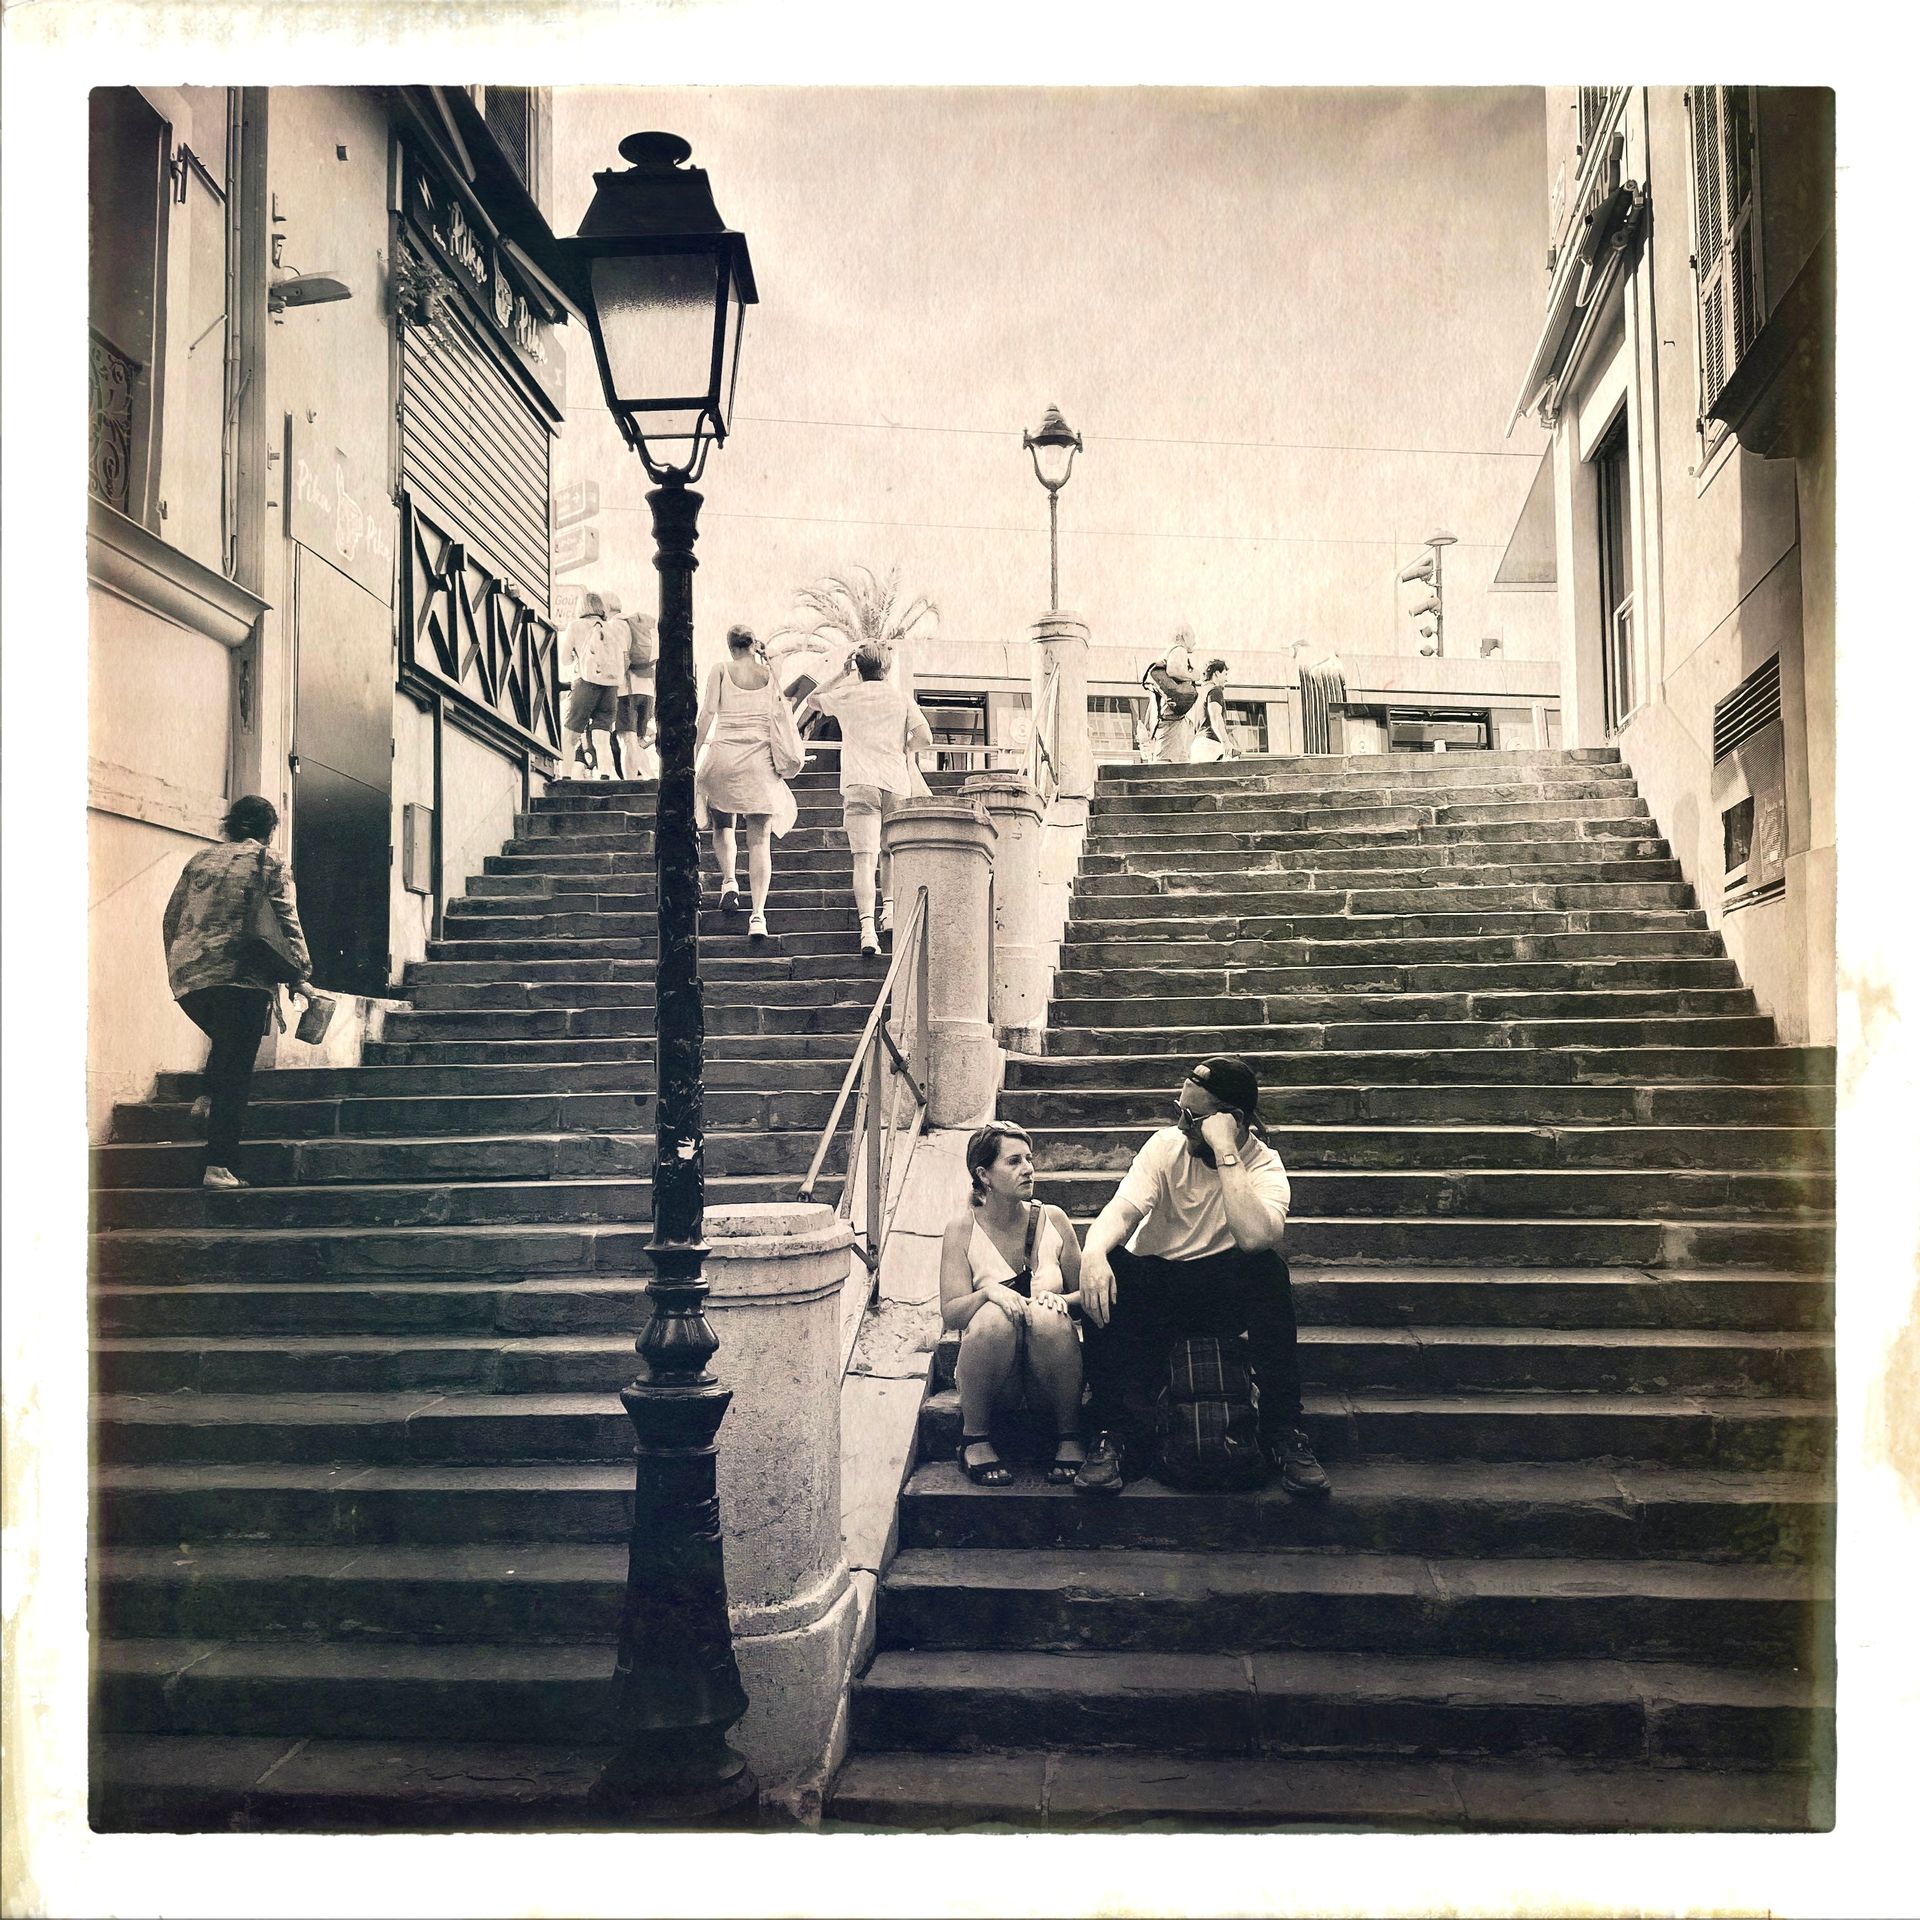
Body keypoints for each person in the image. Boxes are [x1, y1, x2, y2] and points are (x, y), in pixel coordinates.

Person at [1072, 1054, 1331, 1500]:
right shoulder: (1165, 1146)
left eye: (1192, 1116)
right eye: (1179, 1110)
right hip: (1159, 1287)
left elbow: (1253, 1238)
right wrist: (1093, 1252)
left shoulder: (1264, 1167)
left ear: (1232, 1120)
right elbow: (1123, 1210)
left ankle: (1282, 1431)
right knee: (1111, 1267)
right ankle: (1116, 1433)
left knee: (1268, 1270)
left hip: (1222, 1293)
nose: (1181, 1124)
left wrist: (1226, 1152)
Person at [161, 795, 313, 1190]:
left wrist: (180, 965)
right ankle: (219, 1165)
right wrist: (300, 974)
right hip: (241, 975)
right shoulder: (269, 860)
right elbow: (285, 917)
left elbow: (171, 916)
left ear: (230, 825)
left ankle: (207, 1095)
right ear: (269, 828)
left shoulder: (199, 860)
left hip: (191, 976)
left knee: (227, 1041)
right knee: (237, 1070)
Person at [939, 1122, 1088, 1486]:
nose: (1028, 1169)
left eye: (1029, 1159)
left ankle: (1069, 1435)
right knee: (993, 1316)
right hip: (993, 1381)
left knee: (1048, 1314)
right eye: (1014, 1161)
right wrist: (989, 1293)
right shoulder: (961, 1229)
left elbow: (1088, 1296)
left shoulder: (1054, 1219)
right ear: (984, 1174)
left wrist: (1063, 1300)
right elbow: (952, 1312)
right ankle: (975, 1438)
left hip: (1049, 1377)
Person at [795, 640, 932, 957]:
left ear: (860, 668)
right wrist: (905, 750)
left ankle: (867, 930)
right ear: (887, 669)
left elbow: (813, 700)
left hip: (859, 782)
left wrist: (841, 676)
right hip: (895, 782)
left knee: (864, 858)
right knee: (891, 851)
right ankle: (890, 911)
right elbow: (925, 736)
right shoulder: (901, 699)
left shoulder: (848, 694)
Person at [693, 623, 797, 940]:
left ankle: (729, 881)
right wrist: (765, 653)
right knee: (759, 841)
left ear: (730, 647)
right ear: (754, 645)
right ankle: (758, 916)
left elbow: (707, 713)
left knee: (723, 825)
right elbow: (780, 662)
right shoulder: (771, 673)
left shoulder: (721, 670)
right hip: (760, 764)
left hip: (723, 760)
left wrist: (694, 751)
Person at [560, 590, 625, 780]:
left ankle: (565, 776)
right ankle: (605, 774)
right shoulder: (613, 628)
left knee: (571, 734)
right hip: (610, 685)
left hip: (585, 684)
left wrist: (574, 656)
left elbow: (564, 660)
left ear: (581, 607)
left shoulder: (575, 626)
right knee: (602, 735)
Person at [1142, 627, 1203, 764]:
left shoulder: (1166, 655)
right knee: (1165, 763)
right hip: (1172, 720)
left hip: (1168, 719)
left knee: (1180, 763)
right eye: (1193, 637)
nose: (1195, 642)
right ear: (1183, 636)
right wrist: (1194, 675)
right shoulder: (1178, 649)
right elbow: (1174, 670)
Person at [614, 602, 657, 782]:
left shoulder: (617, 624)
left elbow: (622, 656)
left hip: (627, 690)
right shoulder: (642, 626)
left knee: (626, 740)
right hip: (647, 690)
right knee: (637, 741)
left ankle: (628, 783)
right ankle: (650, 777)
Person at [1190, 657, 1241, 763]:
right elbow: (1215, 717)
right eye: (1225, 674)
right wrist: (1226, 742)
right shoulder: (1215, 691)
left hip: (1197, 745)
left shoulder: (1199, 693)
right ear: (1217, 673)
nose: (1226, 679)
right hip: (1211, 745)